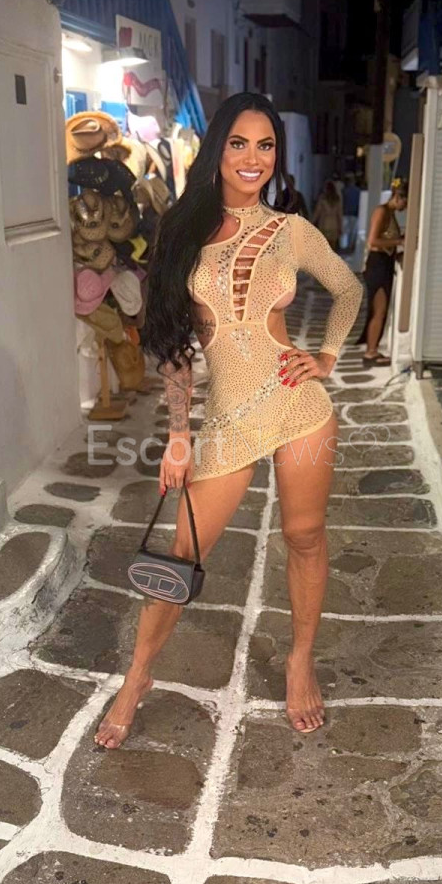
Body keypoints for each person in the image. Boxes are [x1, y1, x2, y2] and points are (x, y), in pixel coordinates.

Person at [94, 92, 363, 748]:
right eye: (239, 143)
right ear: (217, 149)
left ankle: (300, 660)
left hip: (298, 407)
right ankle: (137, 677)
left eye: (266, 145)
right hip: (228, 418)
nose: (253, 158)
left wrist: (326, 355)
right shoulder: (181, 232)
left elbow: (349, 288)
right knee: (184, 552)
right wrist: (178, 436)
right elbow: (174, 349)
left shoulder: (290, 230)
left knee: (304, 535)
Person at [355, 178, 407, 366]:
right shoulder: (382, 211)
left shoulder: (390, 214)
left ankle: (373, 349)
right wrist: (399, 242)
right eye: (405, 202)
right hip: (377, 265)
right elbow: (373, 241)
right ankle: (370, 352)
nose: (405, 207)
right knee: (379, 310)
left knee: (381, 311)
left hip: (385, 263)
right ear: (397, 197)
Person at [312, 179, 343, 252]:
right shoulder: (337, 199)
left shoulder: (322, 198)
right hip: (334, 225)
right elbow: (339, 214)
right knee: (333, 248)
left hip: (324, 225)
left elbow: (317, 212)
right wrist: (340, 227)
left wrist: (312, 222)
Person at [341, 173, 361, 254]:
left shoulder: (344, 191)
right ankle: (350, 247)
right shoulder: (358, 191)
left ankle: (344, 247)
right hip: (354, 214)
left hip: (345, 213)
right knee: (352, 232)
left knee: (345, 231)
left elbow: (342, 202)